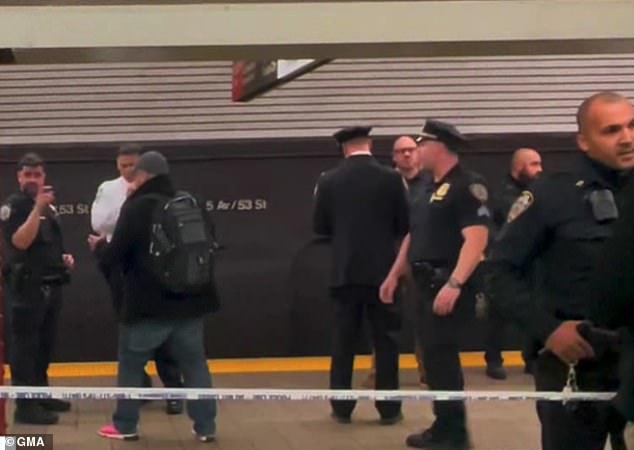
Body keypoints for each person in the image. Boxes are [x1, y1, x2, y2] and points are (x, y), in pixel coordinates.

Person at [487, 91, 634, 450]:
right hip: (578, 361)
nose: (627, 138)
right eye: (612, 130)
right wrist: (548, 329)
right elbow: (498, 274)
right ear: (584, 141)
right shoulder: (551, 196)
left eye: (632, 126)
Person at [88, 151, 219, 442]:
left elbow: (115, 255)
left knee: (132, 365)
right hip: (191, 302)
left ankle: (125, 425)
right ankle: (206, 427)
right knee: (195, 365)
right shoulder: (190, 202)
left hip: (148, 306)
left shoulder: (138, 206)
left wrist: (99, 248)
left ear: (144, 175)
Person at [381, 119, 490, 449]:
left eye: (422, 145)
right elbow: (415, 235)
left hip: (447, 284)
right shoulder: (426, 187)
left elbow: (477, 238)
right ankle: (445, 425)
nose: (417, 152)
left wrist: (455, 284)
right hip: (423, 284)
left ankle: (454, 433)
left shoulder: (467, 185)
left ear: (439, 147)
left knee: (442, 358)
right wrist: (394, 273)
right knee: (433, 358)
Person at [313, 126, 409, 425]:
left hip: (344, 273)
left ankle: (342, 408)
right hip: (384, 274)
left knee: (343, 343)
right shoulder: (393, 179)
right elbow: (404, 224)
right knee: (386, 343)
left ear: (344, 148)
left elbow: (320, 226)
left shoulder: (328, 180)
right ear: (370, 144)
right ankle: (389, 409)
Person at [91, 143, 184, 415]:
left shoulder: (158, 191)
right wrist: (128, 203)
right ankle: (139, 387)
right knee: (129, 328)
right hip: (122, 267)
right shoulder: (108, 189)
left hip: (156, 268)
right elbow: (100, 223)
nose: (128, 171)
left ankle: (174, 390)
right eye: (123, 166)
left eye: (133, 165)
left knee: (164, 332)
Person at [0, 153, 75, 424]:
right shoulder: (15, 206)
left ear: (44, 177)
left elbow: (50, 243)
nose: (33, 179)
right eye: (27, 175)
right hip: (26, 289)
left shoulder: (47, 206)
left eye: (37, 175)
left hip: (50, 285)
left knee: (44, 345)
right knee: (25, 348)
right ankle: (26, 406)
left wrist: (63, 257)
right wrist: (37, 208)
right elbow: (20, 242)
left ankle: (41, 394)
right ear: (18, 177)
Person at [363, 135, 428, 389]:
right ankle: (378, 373)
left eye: (411, 150)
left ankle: (428, 372)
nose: (407, 155)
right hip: (390, 256)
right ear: (394, 157)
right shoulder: (385, 183)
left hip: (422, 254)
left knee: (424, 315)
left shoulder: (432, 183)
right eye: (401, 151)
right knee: (384, 317)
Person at [484, 147, 543, 379]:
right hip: (506, 263)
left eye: (540, 164)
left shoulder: (539, 193)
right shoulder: (502, 196)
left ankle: (532, 359)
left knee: (536, 309)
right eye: (534, 164)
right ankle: (493, 360)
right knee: (497, 314)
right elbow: (493, 229)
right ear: (519, 167)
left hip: (532, 262)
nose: (540, 169)